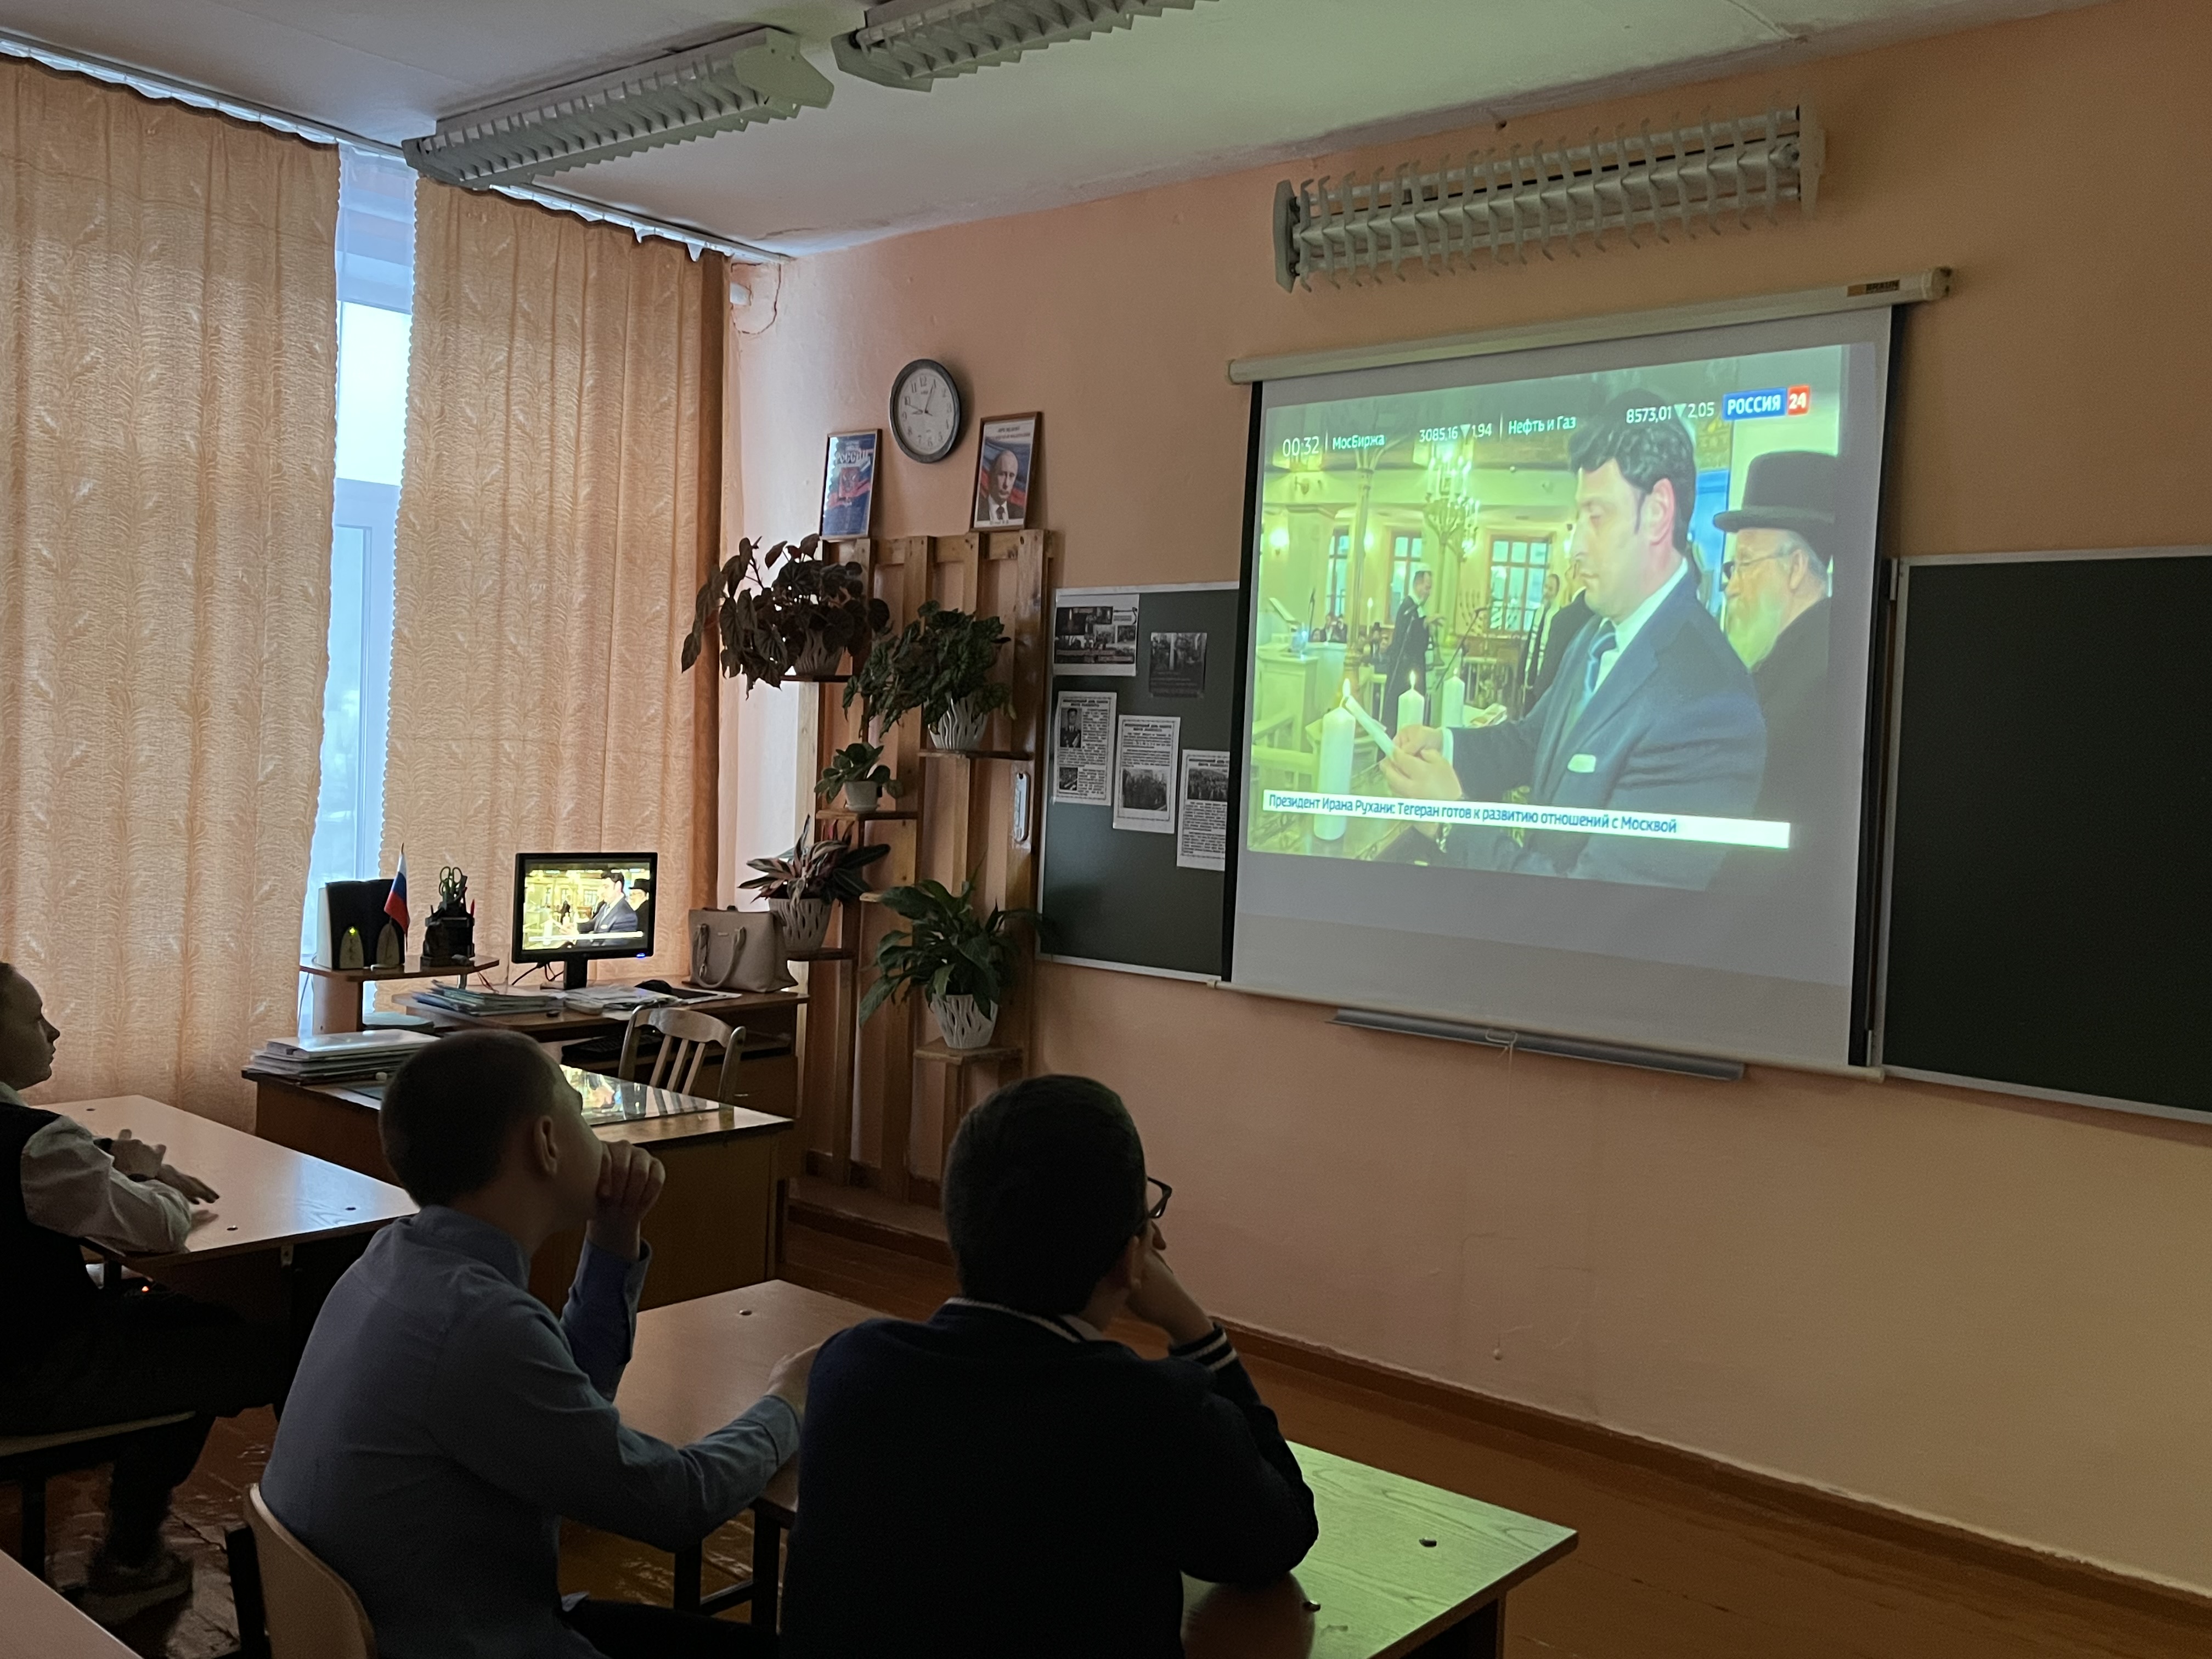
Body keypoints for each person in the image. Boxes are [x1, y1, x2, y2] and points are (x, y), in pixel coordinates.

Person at [261, 1031, 814, 1659]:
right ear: (546, 1143)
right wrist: (789, 1403)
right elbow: (676, 1505)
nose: (601, 1140)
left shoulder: (395, 1260)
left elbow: (574, 1397)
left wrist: (614, 1234)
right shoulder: (477, 1324)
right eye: (580, 1114)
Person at [781, 1075, 1316, 1659]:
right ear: (1131, 1259)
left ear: (956, 1223)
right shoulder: (1151, 1415)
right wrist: (1194, 1326)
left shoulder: (850, 1369)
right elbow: (1283, 1530)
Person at [0, 962, 291, 1625]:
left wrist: (105, 1160)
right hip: (36, 1376)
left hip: (24, 1349)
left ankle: (133, 1547)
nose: (54, 1031)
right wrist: (144, 1176)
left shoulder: (37, 1145)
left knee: (197, 1320)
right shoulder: (36, 1148)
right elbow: (159, 1227)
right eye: (35, 1018)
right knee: (276, 1349)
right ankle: (132, 1561)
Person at [1383, 397, 1766, 889]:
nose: (1574, 546)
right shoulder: (1597, 633)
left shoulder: (1708, 705)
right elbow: (1534, 740)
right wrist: (1447, 744)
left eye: (1596, 517)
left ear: (1657, 513)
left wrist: (1450, 821)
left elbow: (1589, 905)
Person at [1717, 449, 1839, 856]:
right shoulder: (1781, 661)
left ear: (1796, 568)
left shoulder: (1825, 676)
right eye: (1732, 569)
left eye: (1746, 564)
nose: (1731, 586)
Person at [1380, 567, 1433, 733]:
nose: (1429, 593)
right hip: (1404, 670)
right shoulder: (1407, 606)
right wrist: (1424, 623)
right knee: (1399, 716)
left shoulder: (1417, 608)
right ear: (1417, 585)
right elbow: (1407, 637)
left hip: (1414, 666)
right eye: (1427, 587)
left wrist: (1426, 625)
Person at [1526, 572, 1589, 704]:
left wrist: (1541, 686)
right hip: (1530, 673)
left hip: (1543, 681)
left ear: (1557, 592)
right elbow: (1529, 644)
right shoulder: (1537, 613)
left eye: (1551, 589)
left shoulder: (1559, 617)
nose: (1546, 592)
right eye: (1545, 587)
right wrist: (1522, 674)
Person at [582, 870, 639, 938]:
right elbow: (592, 924)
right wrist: (574, 927)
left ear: (618, 886)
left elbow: (609, 943)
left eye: (606, 887)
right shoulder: (606, 906)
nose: (602, 891)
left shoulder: (627, 916)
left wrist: (576, 940)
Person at [975, 445, 1023, 525]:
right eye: (1002, 474)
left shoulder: (1020, 513)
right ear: (992, 475)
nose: (1006, 484)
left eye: (1011, 476)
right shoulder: (977, 512)